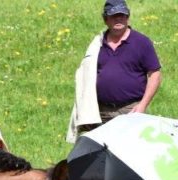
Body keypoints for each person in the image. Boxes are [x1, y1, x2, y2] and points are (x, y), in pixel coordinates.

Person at [66, 0, 161, 142]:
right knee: (101, 154)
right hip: (100, 111)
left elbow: (155, 74)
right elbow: (86, 74)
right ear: (105, 19)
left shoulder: (142, 42)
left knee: (128, 154)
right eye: (114, 16)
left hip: (130, 110)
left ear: (128, 17)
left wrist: (142, 105)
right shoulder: (97, 44)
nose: (119, 19)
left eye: (122, 15)